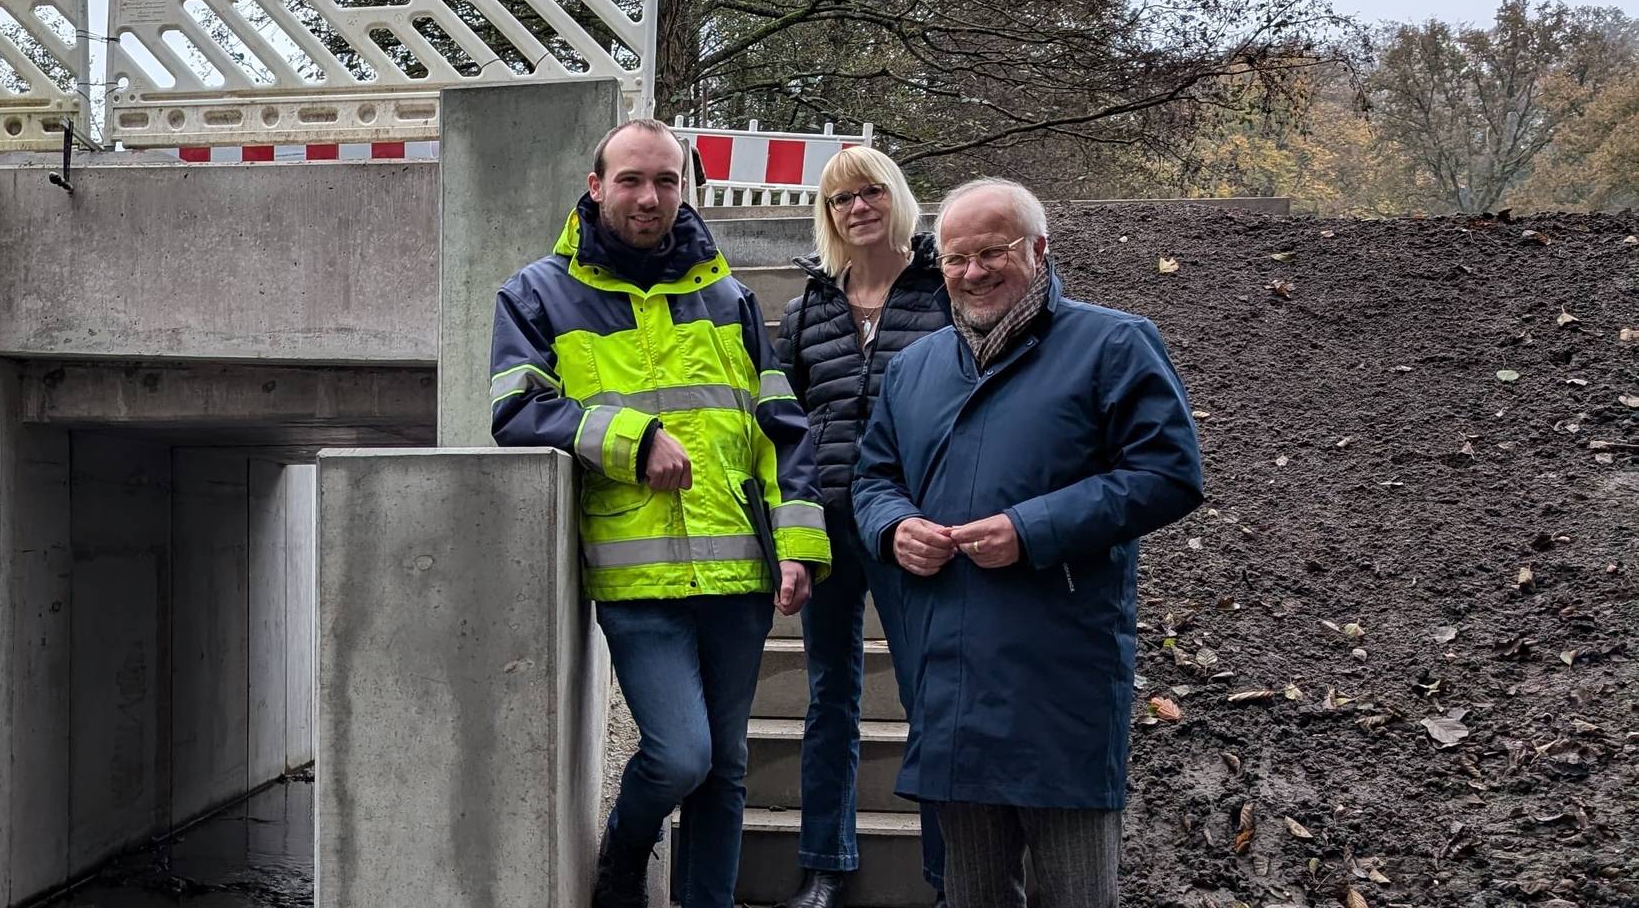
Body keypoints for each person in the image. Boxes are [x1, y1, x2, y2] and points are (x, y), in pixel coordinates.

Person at [490, 119, 833, 908]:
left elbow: (781, 430)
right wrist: (630, 438)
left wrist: (797, 548)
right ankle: (625, 853)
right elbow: (514, 410)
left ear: (685, 189)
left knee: (728, 766)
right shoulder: (537, 293)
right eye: (633, 180)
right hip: (636, 577)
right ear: (596, 186)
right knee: (682, 756)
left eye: (668, 182)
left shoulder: (731, 297)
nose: (651, 197)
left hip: (739, 576)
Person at [851, 179, 1206, 907]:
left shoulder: (1113, 343)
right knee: (971, 895)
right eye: (956, 258)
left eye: (993, 252)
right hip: (947, 679)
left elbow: (1170, 473)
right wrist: (893, 528)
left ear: (1039, 250)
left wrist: (1031, 529)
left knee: (1077, 894)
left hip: (1059, 682)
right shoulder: (913, 369)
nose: (973, 272)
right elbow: (872, 477)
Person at [774, 146, 952, 908]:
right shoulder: (810, 305)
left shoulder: (944, 288)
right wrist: (791, 531)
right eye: (842, 198)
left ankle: (952, 874)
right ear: (829, 213)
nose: (858, 208)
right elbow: (783, 426)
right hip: (830, 529)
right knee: (830, 697)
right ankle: (825, 865)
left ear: (897, 197)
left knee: (931, 698)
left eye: (871, 191)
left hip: (915, 522)